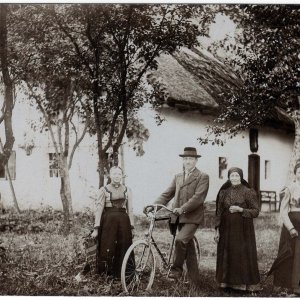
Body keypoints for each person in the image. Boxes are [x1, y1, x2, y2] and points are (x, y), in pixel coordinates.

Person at [144, 147, 209, 281]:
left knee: (180, 240)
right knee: (187, 246)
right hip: (178, 217)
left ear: (196, 161)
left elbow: (198, 198)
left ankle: (176, 270)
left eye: (190, 159)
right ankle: (194, 280)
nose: (188, 161)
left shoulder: (203, 177)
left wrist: (182, 208)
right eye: (185, 159)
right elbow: (167, 194)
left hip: (192, 217)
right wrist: (153, 205)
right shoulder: (178, 176)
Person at [214, 167, 260, 293]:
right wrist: (216, 230)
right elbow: (218, 212)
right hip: (226, 230)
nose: (234, 178)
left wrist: (241, 210)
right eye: (232, 176)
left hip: (243, 231)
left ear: (241, 177)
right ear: (229, 177)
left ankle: (241, 285)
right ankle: (226, 284)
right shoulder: (223, 192)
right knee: (227, 254)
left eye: (237, 176)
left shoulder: (248, 192)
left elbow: (256, 211)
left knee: (241, 255)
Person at [91, 166, 134, 279]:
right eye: (114, 174)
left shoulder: (127, 190)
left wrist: (132, 227)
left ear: (122, 176)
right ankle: (106, 274)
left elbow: (131, 209)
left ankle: (124, 274)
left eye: (119, 174)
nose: (117, 176)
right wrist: (96, 228)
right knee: (108, 245)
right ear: (110, 175)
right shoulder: (103, 190)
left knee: (124, 245)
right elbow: (99, 209)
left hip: (124, 222)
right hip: (108, 222)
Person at [268, 163, 300, 295]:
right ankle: (289, 286)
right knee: (291, 254)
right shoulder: (289, 188)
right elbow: (283, 210)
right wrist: (291, 228)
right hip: (293, 224)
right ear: (295, 173)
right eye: (299, 171)